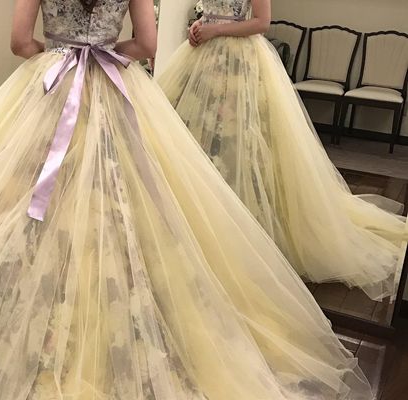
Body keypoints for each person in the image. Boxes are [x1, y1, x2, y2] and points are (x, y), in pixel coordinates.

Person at [0, 0, 372, 398]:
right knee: (127, 198)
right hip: (111, 85)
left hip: (49, 86)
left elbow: (17, 41)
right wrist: (112, 53)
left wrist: (54, 54)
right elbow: (146, 43)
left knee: (20, 201)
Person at [157, 0, 407, 300]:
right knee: (193, 133)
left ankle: (241, 219)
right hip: (203, 60)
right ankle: (197, 210)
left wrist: (216, 30)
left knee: (240, 141)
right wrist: (200, 26)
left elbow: (262, 22)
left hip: (239, 61)